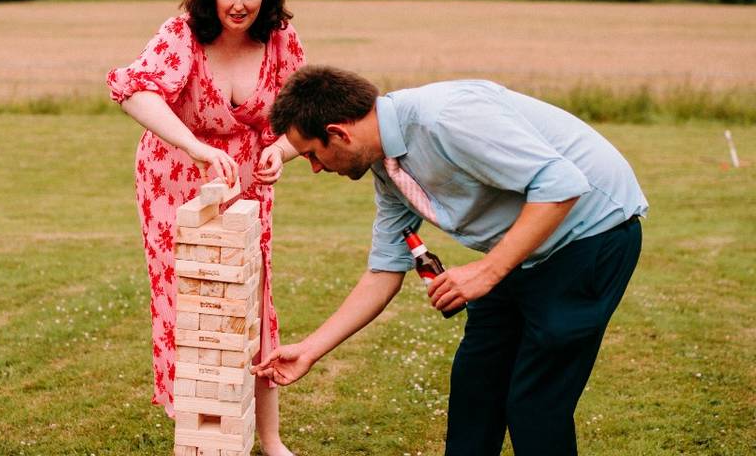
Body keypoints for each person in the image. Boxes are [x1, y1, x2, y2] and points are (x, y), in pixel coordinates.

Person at [255, 65, 647, 456]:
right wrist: (310, 349)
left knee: (535, 403)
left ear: (339, 133)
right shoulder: (387, 168)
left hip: (591, 233)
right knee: (476, 387)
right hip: (523, 245)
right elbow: (384, 270)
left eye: (312, 154)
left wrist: (488, 271)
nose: (317, 168)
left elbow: (562, 184)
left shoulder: (446, 118)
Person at [106, 0, 304, 456]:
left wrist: (280, 151)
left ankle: (269, 436)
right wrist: (193, 146)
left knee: (253, 299)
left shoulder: (281, 39)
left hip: (248, 183)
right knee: (189, 298)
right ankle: (197, 425)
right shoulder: (182, 34)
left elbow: (302, 115)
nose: (239, 5)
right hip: (174, 174)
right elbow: (136, 92)